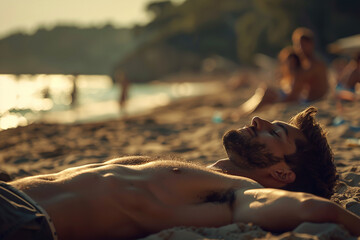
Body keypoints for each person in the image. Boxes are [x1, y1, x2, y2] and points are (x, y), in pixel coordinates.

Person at [1, 107, 346, 240]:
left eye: (275, 133)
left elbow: (312, 209)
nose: (259, 121)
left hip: (22, 218)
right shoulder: (198, 173)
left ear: (283, 174)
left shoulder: (237, 192)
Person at [292, 27, 329, 101]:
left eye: (303, 45)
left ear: (311, 44)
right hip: (309, 100)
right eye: (298, 45)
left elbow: (295, 89)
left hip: (312, 101)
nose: (300, 48)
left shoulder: (314, 64)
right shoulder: (309, 63)